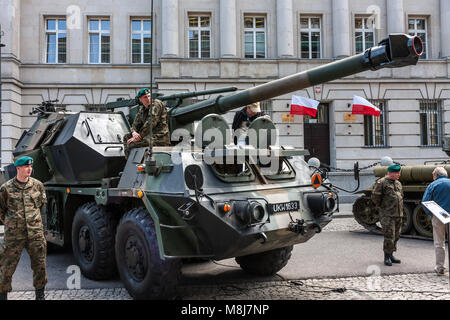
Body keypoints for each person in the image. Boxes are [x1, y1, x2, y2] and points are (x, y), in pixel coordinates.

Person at [0, 156, 48, 300]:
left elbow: (41, 205)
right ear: (18, 168)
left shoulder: (38, 185)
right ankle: (3, 295)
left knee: (40, 266)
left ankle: (40, 296)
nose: (29, 169)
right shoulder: (6, 188)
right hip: (14, 236)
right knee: (6, 267)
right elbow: (1, 211)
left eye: (31, 167)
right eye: (26, 167)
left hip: (35, 234)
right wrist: (13, 224)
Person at [371, 164, 403, 266]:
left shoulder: (398, 183)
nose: (399, 174)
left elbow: (401, 196)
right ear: (390, 173)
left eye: (399, 172)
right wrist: (383, 208)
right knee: (389, 236)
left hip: (398, 214)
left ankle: (391, 254)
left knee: (396, 236)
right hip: (387, 214)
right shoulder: (382, 182)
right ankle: (387, 257)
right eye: (397, 173)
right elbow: (375, 197)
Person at [123, 88, 170, 159]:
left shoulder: (156, 104)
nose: (148, 99)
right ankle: (129, 163)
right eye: (145, 97)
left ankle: (135, 165)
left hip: (159, 137)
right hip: (148, 136)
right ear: (140, 99)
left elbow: (151, 122)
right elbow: (135, 124)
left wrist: (139, 137)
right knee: (126, 137)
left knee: (131, 145)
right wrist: (134, 132)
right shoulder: (142, 109)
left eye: (149, 96)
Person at [422, 166, 450, 276]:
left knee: (439, 242)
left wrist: (431, 215)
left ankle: (440, 267)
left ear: (435, 175)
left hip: (439, 216)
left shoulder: (433, 185)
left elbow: (425, 201)